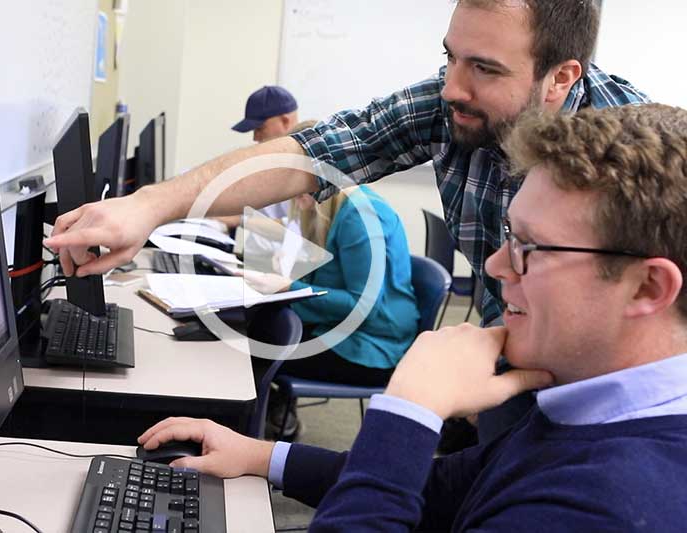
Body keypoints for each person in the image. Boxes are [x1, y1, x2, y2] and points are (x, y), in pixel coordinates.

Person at [45, 0, 650, 440]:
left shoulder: (634, 159)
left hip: (612, 413)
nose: (451, 88)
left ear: (561, 78)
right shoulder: (453, 106)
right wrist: (145, 206)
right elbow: (320, 151)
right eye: (450, 58)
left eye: (484, 68)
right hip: (509, 375)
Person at [137, 104, 687, 531]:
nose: (495, 265)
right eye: (507, 236)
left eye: (531, 247)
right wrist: (261, 455)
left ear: (648, 286)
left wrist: (410, 409)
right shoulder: (590, 411)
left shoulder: (610, 504)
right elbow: (444, 488)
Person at [246, 185, 419, 438]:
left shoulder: (360, 216)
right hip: (341, 327)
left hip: (373, 346)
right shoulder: (331, 209)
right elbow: (333, 276)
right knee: (253, 326)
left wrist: (289, 285)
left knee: (253, 347)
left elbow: (364, 307)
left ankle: (259, 433)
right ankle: (273, 418)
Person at [217, 86, 300, 231]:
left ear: (285, 122)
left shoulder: (310, 166)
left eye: (260, 128)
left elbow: (299, 229)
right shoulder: (272, 161)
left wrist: (239, 220)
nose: (255, 137)